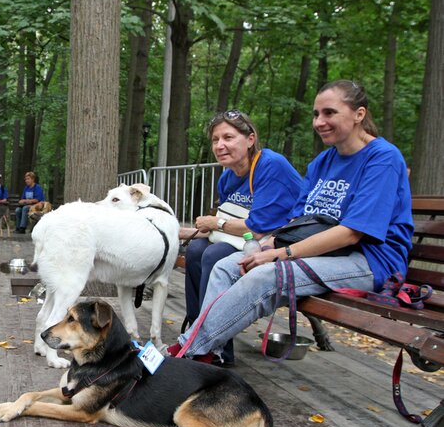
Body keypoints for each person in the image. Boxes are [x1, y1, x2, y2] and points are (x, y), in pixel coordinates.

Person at [169, 80, 413, 364]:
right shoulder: (323, 161)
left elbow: (351, 234)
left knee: (265, 276)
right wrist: (266, 245)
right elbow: (299, 221)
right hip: (320, 252)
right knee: (227, 266)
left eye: (329, 113)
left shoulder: (383, 158)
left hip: (368, 260)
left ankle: (186, 352)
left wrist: (281, 253)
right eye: (316, 114)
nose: (319, 122)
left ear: (359, 114)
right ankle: (212, 355)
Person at [178, 111, 301, 366]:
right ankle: (195, 330)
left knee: (213, 255)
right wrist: (181, 232)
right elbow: (227, 223)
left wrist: (215, 223)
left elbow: (256, 229)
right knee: (195, 250)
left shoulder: (270, 165)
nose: (220, 145)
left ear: (250, 139)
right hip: (246, 240)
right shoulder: (228, 176)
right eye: (215, 139)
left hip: (280, 244)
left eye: (228, 137)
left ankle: (216, 349)